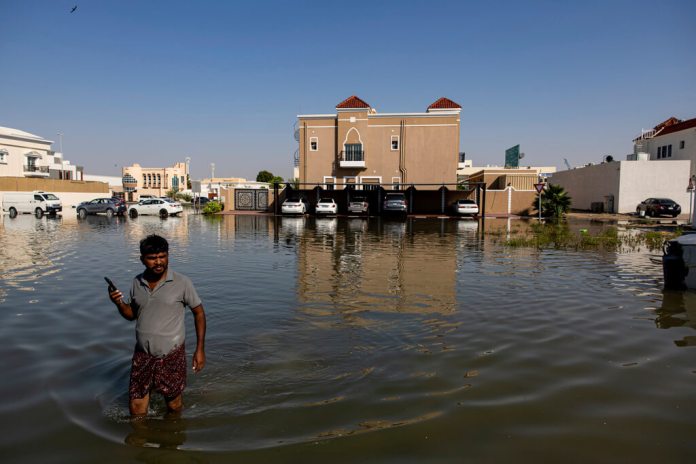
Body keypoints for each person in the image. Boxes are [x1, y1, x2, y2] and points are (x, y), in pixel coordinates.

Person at [109, 234, 206, 417]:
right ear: (142, 259)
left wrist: (199, 349)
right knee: (136, 408)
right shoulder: (137, 283)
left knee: (174, 405)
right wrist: (119, 303)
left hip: (171, 355)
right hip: (142, 355)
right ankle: (140, 443)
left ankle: (171, 441)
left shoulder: (182, 283)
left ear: (168, 255)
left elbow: (199, 313)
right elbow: (132, 315)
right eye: (152, 258)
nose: (158, 262)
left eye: (162, 256)